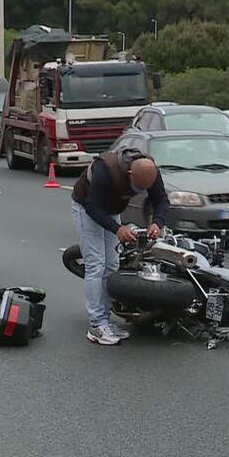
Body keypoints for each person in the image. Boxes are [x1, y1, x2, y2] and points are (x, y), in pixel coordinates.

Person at [71, 147, 169, 346]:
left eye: (144, 189)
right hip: (87, 208)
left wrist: (157, 222)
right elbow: (92, 206)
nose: (138, 192)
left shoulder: (150, 170)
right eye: (136, 188)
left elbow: (161, 200)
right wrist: (117, 229)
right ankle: (96, 325)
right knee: (96, 264)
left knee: (112, 265)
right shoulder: (104, 170)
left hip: (112, 208)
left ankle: (105, 319)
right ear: (130, 173)